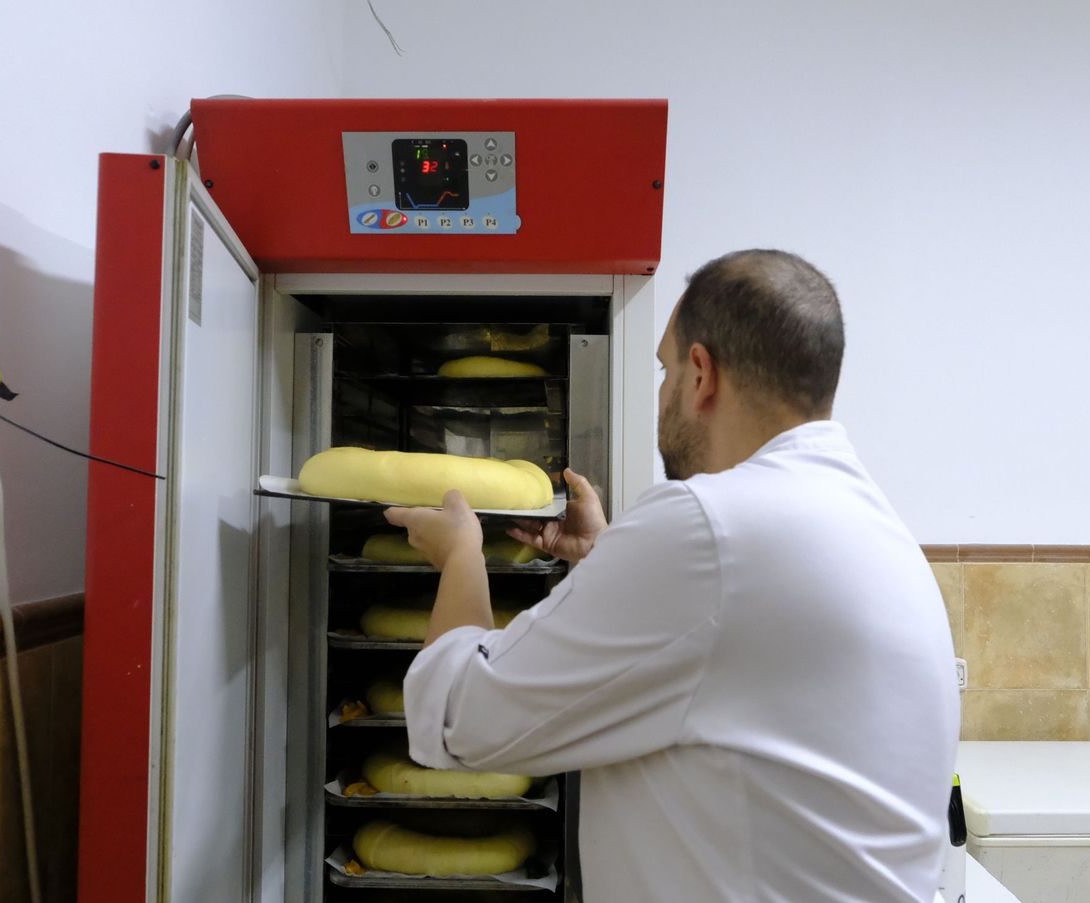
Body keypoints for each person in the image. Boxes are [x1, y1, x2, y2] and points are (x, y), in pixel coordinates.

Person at [385, 249, 960, 902]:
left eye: (663, 370)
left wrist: (462, 552)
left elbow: (461, 721)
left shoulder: (707, 525)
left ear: (700, 374)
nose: (660, 396)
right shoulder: (873, 527)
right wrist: (611, 561)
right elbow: (730, 656)